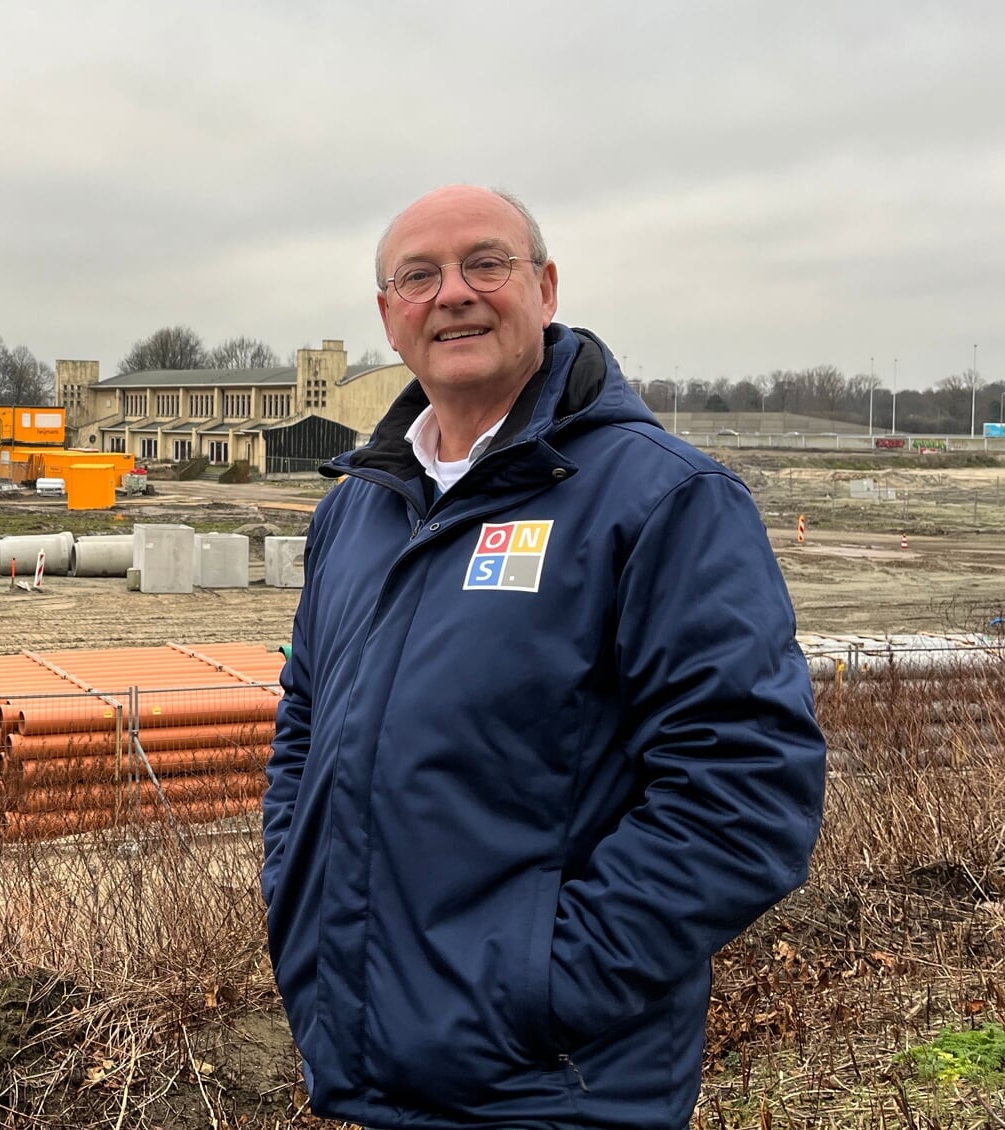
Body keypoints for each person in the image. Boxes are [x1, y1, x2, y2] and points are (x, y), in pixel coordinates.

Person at [261, 185, 826, 1129]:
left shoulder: (662, 500)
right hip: (369, 1058)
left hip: (557, 1085)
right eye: (419, 276)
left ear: (546, 287)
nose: (453, 295)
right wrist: (295, 890)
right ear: (388, 317)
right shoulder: (354, 511)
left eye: (486, 263)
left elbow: (746, 790)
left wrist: (544, 985)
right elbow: (305, 725)